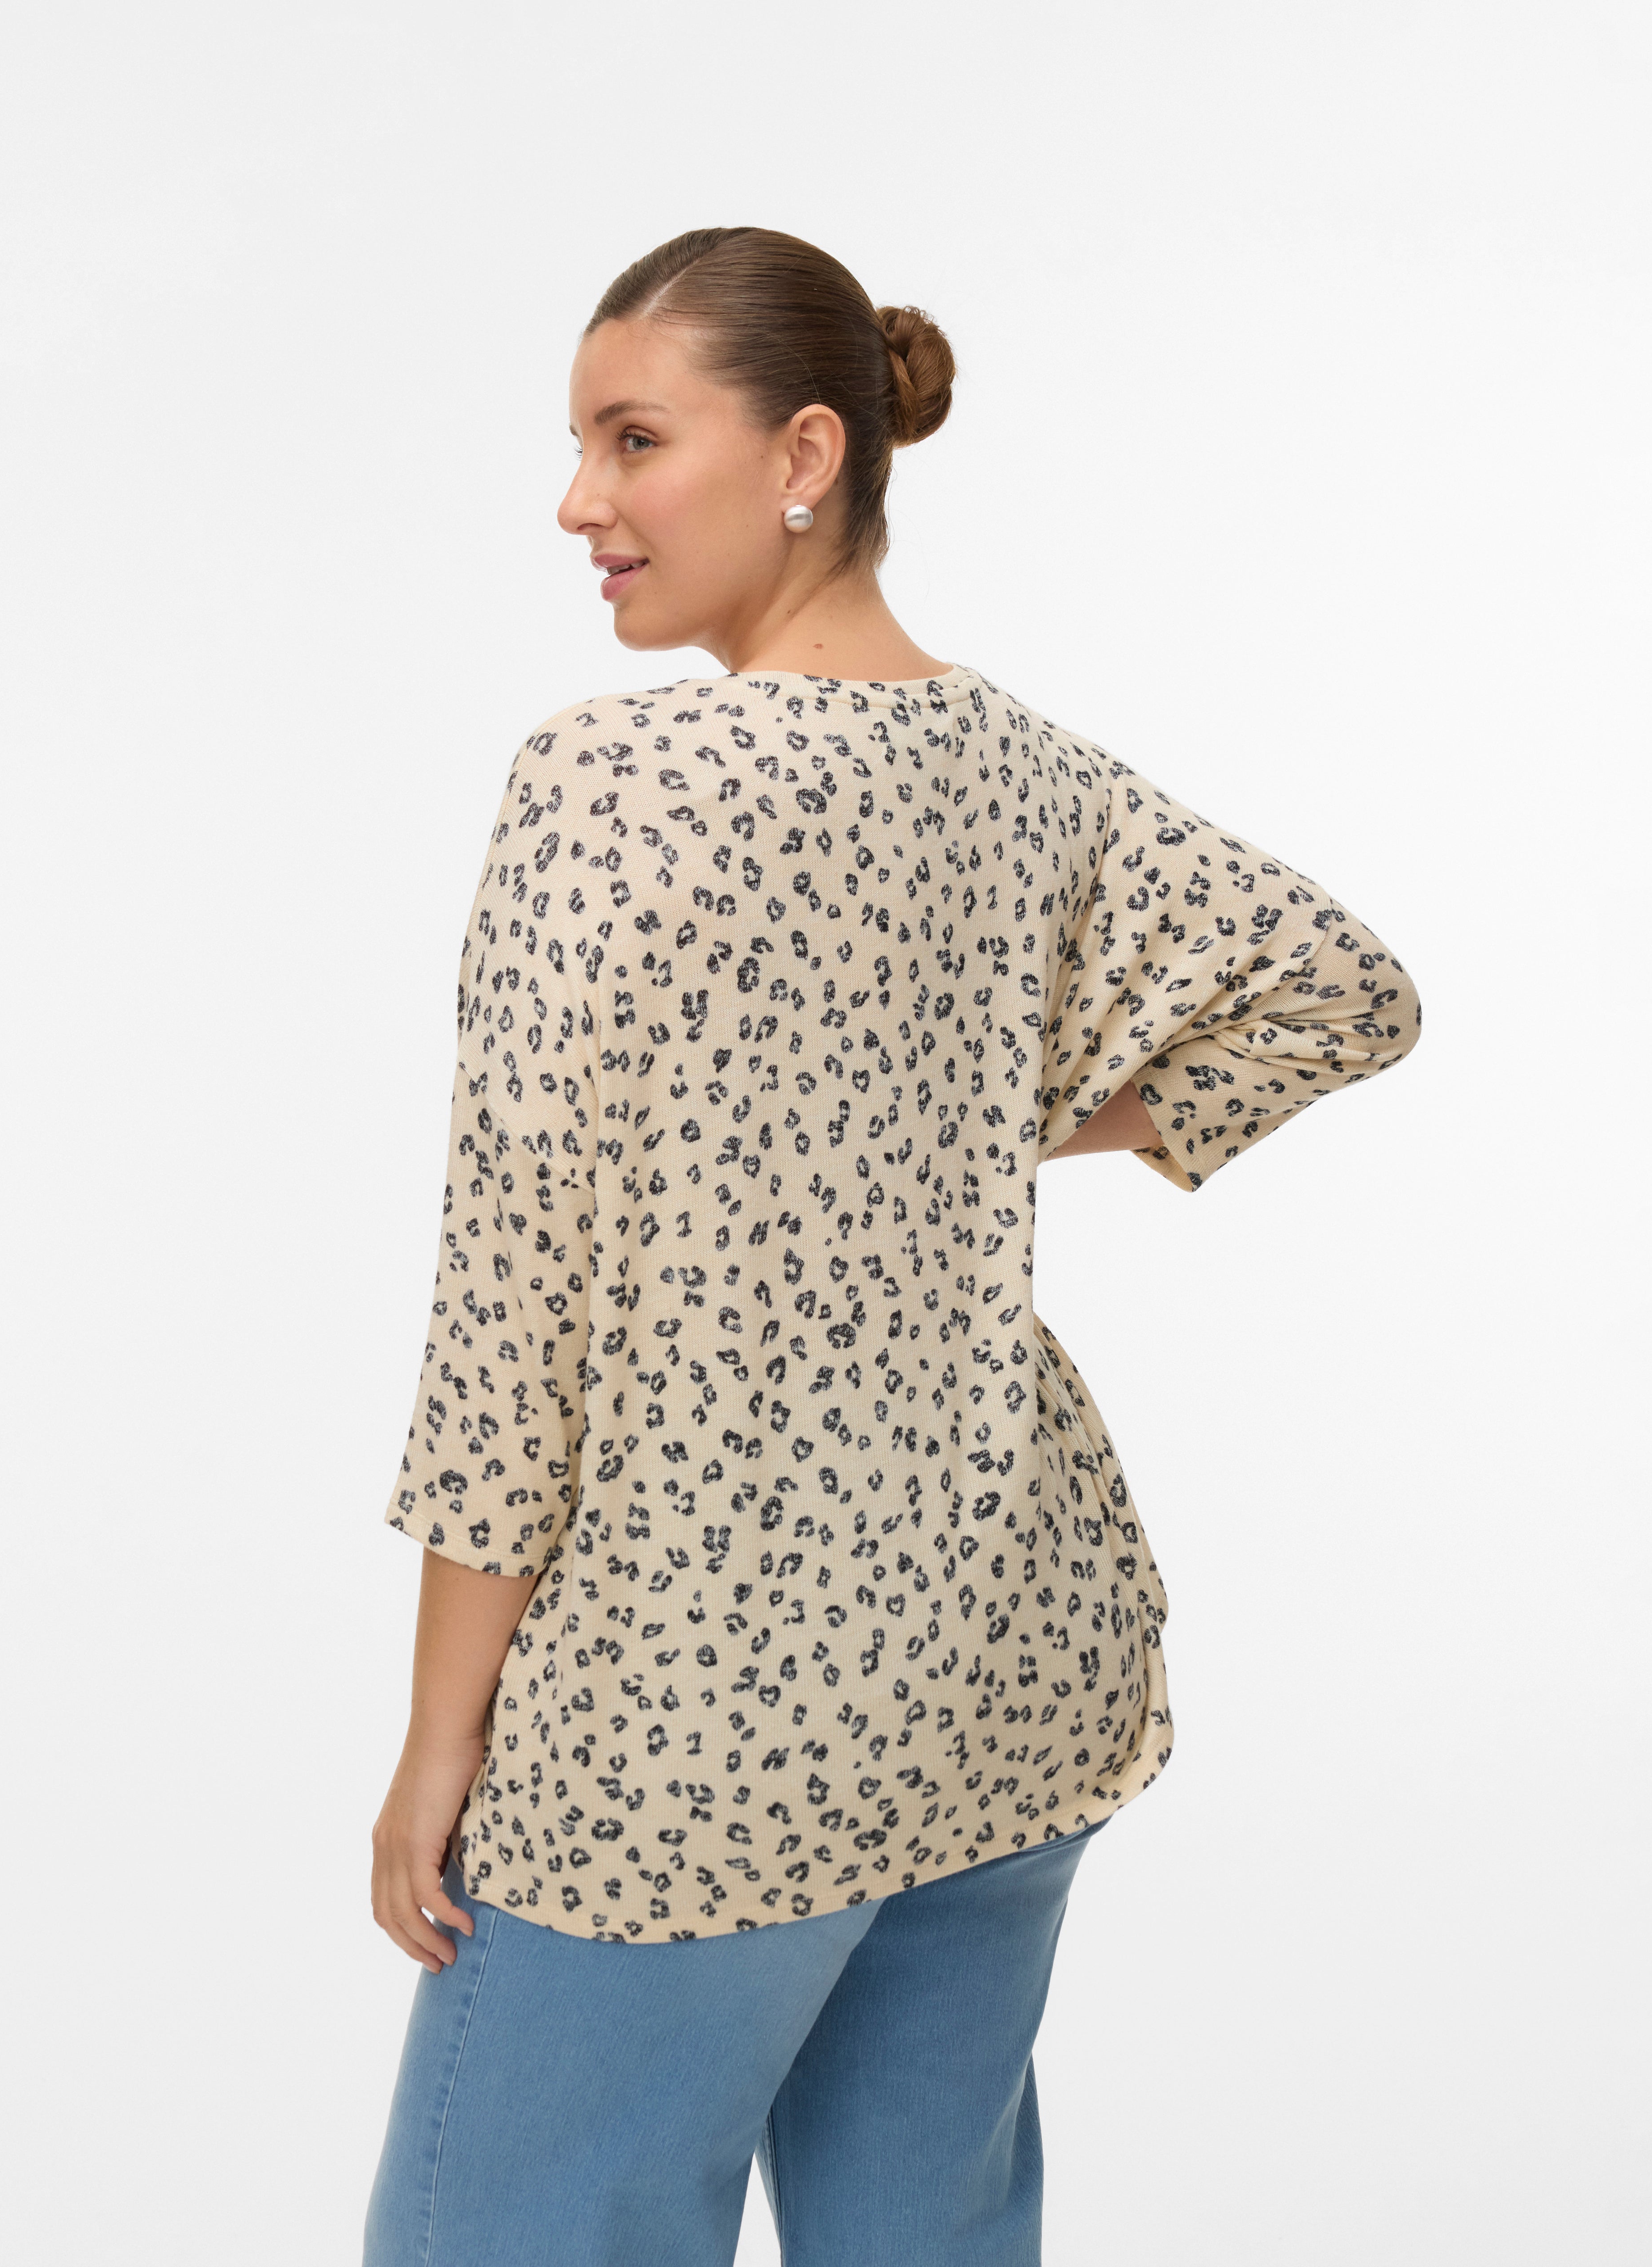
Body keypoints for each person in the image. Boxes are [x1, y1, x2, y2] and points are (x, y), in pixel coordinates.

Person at [362, 227, 1421, 2267]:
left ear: (805, 453)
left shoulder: (611, 779)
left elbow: (514, 1304)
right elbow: (1341, 988)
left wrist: (438, 1743)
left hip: (689, 1710)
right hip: (993, 1659)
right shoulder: (1021, 770)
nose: (577, 502)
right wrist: (993, 1111)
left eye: (631, 440)